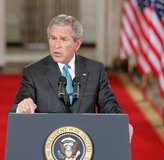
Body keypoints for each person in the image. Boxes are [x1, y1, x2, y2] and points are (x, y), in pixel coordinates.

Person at [9, 14, 133, 142]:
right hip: (47, 142)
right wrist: (22, 107)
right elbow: (14, 111)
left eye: (63, 39)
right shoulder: (33, 72)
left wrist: (121, 121)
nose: (56, 45)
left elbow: (108, 104)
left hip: (86, 142)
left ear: (77, 44)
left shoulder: (95, 70)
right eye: (53, 38)